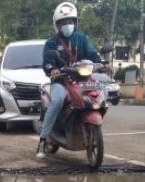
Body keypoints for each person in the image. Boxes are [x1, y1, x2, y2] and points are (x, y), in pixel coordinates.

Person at [37, 2, 103, 159]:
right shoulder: (51, 43)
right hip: (60, 80)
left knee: (99, 93)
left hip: (82, 78)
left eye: (71, 21)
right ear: (57, 25)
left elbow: (92, 54)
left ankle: (85, 125)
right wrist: (51, 69)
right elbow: (47, 61)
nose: (68, 25)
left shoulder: (82, 39)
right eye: (64, 22)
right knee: (58, 100)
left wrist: (103, 62)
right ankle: (43, 139)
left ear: (75, 22)